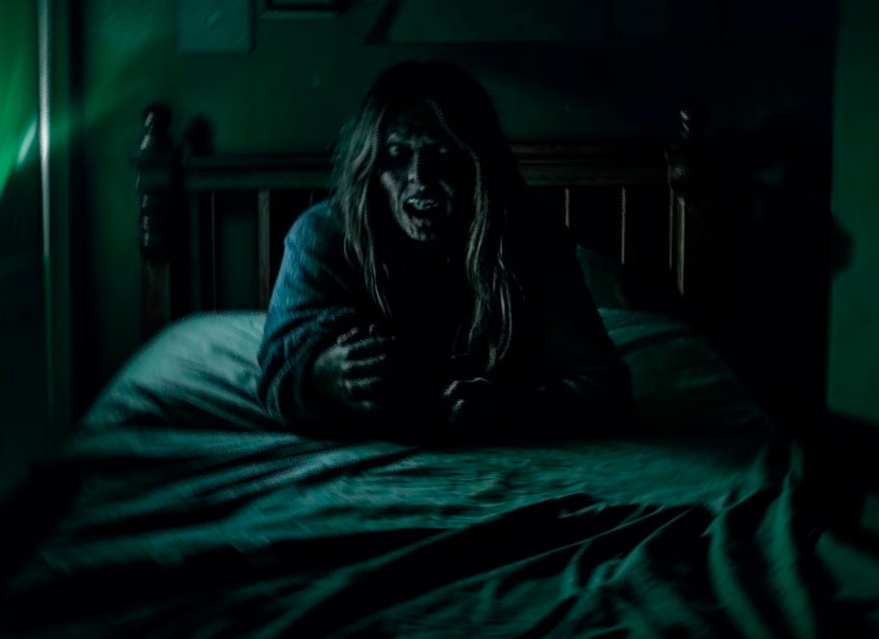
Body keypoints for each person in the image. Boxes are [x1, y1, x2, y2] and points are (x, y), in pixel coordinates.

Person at [257, 60, 632, 442]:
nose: (420, 178)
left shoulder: (530, 238)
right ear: (370, 165)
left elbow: (605, 386)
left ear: (477, 163)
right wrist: (326, 374)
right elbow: (276, 377)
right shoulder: (323, 237)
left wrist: (517, 409)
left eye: (443, 155)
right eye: (397, 155)